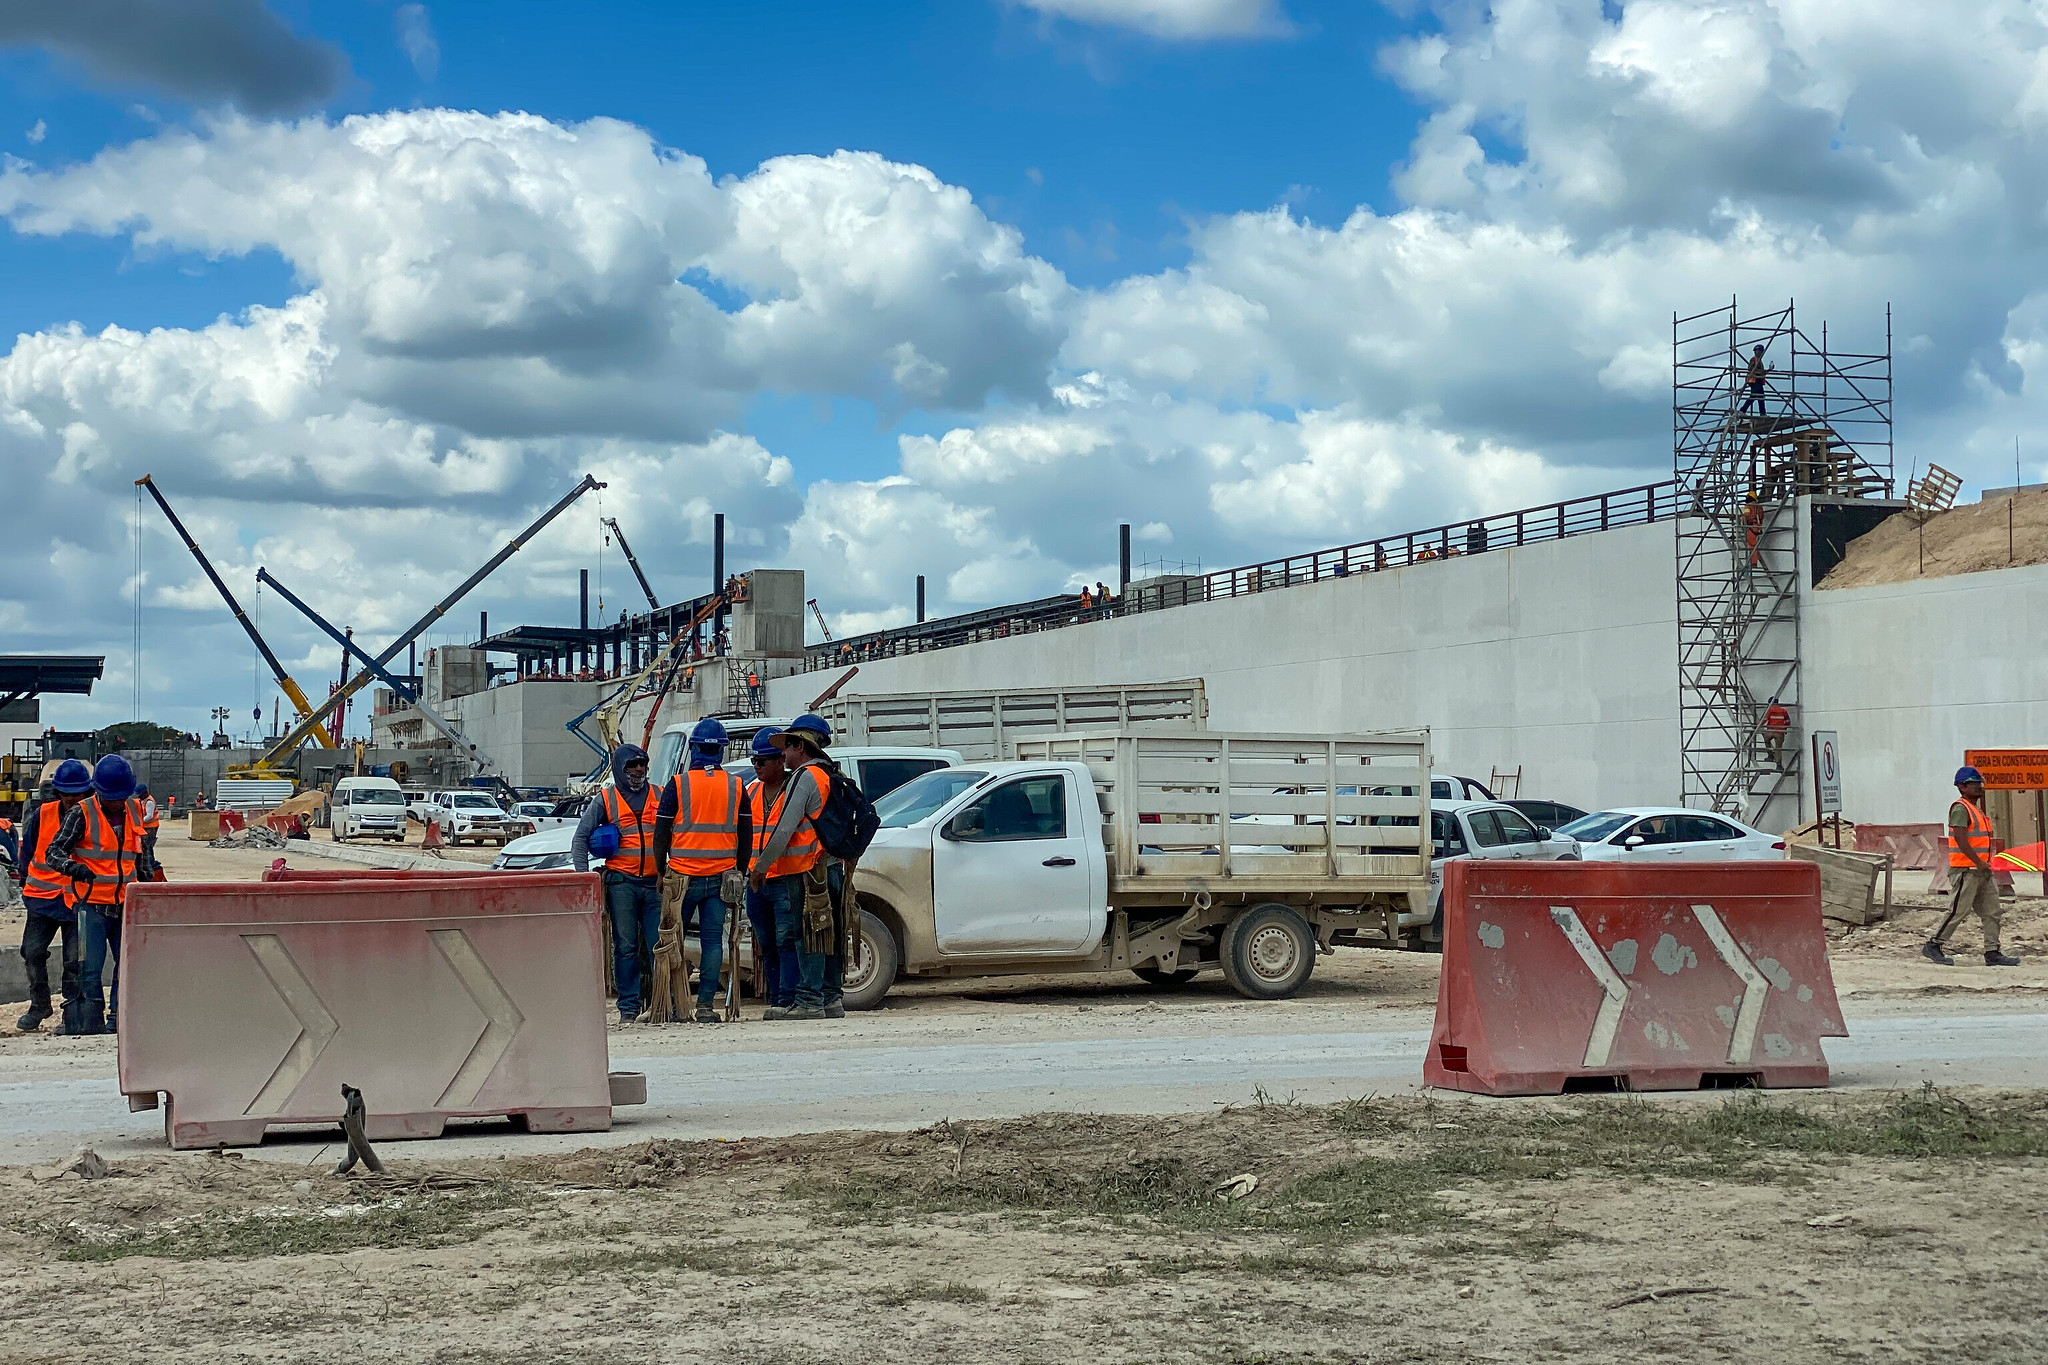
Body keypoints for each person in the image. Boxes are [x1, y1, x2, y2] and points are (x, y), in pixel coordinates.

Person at [44, 755, 155, 1035]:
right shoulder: (81, 813)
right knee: (89, 968)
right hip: (91, 904)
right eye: (111, 798)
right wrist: (73, 868)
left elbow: (141, 852)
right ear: (98, 791)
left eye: (121, 797)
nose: (117, 803)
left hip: (126, 903)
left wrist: (148, 884)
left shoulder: (134, 809)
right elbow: (53, 852)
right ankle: (89, 1021)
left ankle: (119, 1019)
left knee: (127, 964)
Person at [652, 719, 750, 1024]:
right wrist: (740, 871)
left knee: (673, 940)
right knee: (712, 941)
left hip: (682, 878)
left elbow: (661, 833)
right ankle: (706, 1007)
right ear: (721, 751)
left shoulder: (678, 785)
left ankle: (676, 1006)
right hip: (721, 878)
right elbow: (746, 836)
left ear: (693, 748)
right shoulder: (736, 786)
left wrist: (659, 870)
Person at [749, 713, 843, 1021]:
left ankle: (809, 1001)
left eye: (786, 747)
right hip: (829, 867)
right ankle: (831, 998)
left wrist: (760, 867)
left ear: (800, 746)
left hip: (808, 871)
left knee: (809, 935)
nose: (784, 754)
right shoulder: (829, 772)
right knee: (827, 933)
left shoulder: (805, 777)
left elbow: (784, 830)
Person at [572, 744, 663, 1024]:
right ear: (620, 769)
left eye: (642, 764)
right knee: (625, 947)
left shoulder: (660, 794)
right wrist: (584, 878)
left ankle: (662, 1004)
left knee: (659, 946)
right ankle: (628, 1008)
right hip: (622, 883)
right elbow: (581, 838)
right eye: (632, 765)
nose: (638, 770)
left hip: (655, 884)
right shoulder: (606, 799)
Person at [14, 762, 90, 1033]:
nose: (72, 799)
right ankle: (39, 1005)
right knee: (32, 952)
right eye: (67, 793)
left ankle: (71, 1013)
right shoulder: (43, 814)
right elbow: (29, 850)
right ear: (58, 792)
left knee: (74, 960)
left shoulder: (92, 816)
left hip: (77, 899)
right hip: (42, 898)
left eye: (77, 794)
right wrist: (25, 879)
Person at [1926, 766, 2020, 966]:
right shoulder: (1961, 809)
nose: (1979, 786)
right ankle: (1934, 944)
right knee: (1958, 911)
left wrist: (1983, 865)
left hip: (1981, 871)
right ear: (1962, 787)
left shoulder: (1976, 810)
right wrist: (1978, 862)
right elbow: (1961, 839)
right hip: (1966, 871)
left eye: (1979, 783)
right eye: (1974, 783)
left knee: (1992, 912)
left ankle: (1992, 952)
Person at [741, 729, 796, 1015]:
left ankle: (788, 998)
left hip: (784, 879)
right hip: (756, 883)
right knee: (767, 944)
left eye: (762, 761)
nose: (757, 766)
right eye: (754, 761)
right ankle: (777, 997)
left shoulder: (794, 791)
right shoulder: (751, 792)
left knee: (787, 941)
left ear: (780, 760)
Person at [1762, 696, 1791, 769]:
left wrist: (1758, 724)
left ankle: (1770, 755)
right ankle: (1779, 765)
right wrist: (1784, 728)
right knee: (1778, 748)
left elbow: (1764, 720)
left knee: (1766, 739)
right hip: (1780, 732)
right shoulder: (1783, 710)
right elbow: (1788, 722)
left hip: (1771, 730)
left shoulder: (1769, 710)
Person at [1739, 344, 1768, 415]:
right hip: (1754, 381)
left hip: (1758, 380)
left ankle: (1763, 413)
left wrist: (1767, 371)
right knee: (1754, 395)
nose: (1757, 352)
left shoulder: (1759, 361)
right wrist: (1757, 373)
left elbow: (1761, 372)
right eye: (1757, 351)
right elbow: (1750, 369)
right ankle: (1742, 410)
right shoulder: (1754, 359)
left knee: (1760, 397)